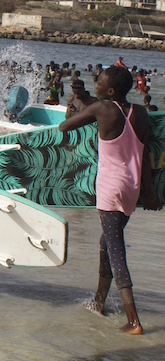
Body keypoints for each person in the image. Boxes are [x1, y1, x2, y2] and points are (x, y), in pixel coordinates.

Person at [59, 66, 162, 335]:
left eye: (101, 84)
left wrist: (77, 112)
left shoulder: (102, 109)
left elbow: (64, 126)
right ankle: (99, 301)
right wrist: (150, 194)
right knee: (107, 241)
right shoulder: (139, 113)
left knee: (116, 250)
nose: (97, 87)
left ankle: (133, 321)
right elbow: (144, 155)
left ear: (111, 91)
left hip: (109, 188)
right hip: (132, 187)